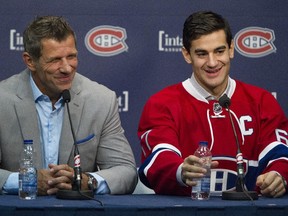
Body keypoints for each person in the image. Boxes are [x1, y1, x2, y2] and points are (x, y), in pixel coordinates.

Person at [138, 11, 288, 198]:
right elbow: (158, 159)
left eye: (219, 51)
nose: (212, 62)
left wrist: (279, 174)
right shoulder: (162, 104)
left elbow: (281, 154)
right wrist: (180, 171)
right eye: (202, 53)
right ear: (187, 54)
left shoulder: (261, 101)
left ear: (231, 49)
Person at [0, 16, 137, 196]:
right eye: (55, 60)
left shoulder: (101, 100)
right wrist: (26, 180)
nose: (67, 68)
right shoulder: (3, 99)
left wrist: (88, 181)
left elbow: (126, 171)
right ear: (30, 61)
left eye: (71, 56)